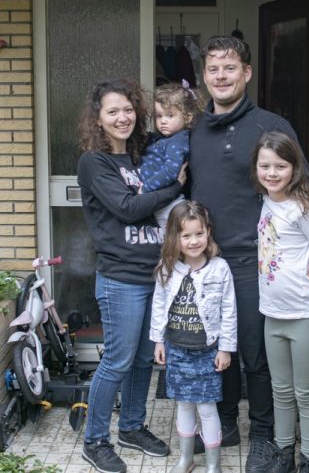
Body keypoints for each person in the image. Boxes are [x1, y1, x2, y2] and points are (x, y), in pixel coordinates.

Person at [189, 35, 309, 473]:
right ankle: (227, 422)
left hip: (255, 261)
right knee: (217, 344)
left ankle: (265, 437)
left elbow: (304, 187)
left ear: (246, 73)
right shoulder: (194, 128)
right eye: (213, 69)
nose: (221, 76)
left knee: (255, 353)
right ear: (205, 76)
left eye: (230, 68)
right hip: (207, 260)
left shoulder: (271, 126)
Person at [77, 78, 186, 473]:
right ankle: (95, 440)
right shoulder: (95, 163)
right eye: (113, 111)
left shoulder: (145, 155)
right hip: (120, 277)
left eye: (128, 109)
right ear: (98, 119)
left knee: (144, 359)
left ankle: (132, 427)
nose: (123, 118)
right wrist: (175, 186)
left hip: (154, 274)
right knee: (118, 361)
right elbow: (126, 207)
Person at [252, 131, 309, 472]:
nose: (272, 173)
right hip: (273, 314)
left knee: (306, 391)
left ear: (294, 168)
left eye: (280, 166)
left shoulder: (304, 208)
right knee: (280, 390)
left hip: (307, 314)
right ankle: (284, 453)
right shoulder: (265, 199)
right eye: (265, 166)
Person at [150, 200, 237, 473]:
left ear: (208, 232)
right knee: (184, 406)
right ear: (174, 237)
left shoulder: (220, 268)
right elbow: (158, 306)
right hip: (177, 349)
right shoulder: (167, 268)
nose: (193, 241)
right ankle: (186, 460)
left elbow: (229, 311)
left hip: (207, 350)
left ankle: (213, 465)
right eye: (186, 235)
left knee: (208, 408)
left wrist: (225, 349)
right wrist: (158, 340)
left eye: (199, 233)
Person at [139, 80, 204, 230]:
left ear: (187, 117)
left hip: (169, 206)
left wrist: (145, 188)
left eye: (169, 115)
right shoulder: (162, 138)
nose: (163, 121)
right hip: (158, 203)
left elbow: (170, 171)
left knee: (171, 246)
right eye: (159, 116)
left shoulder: (178, 141)